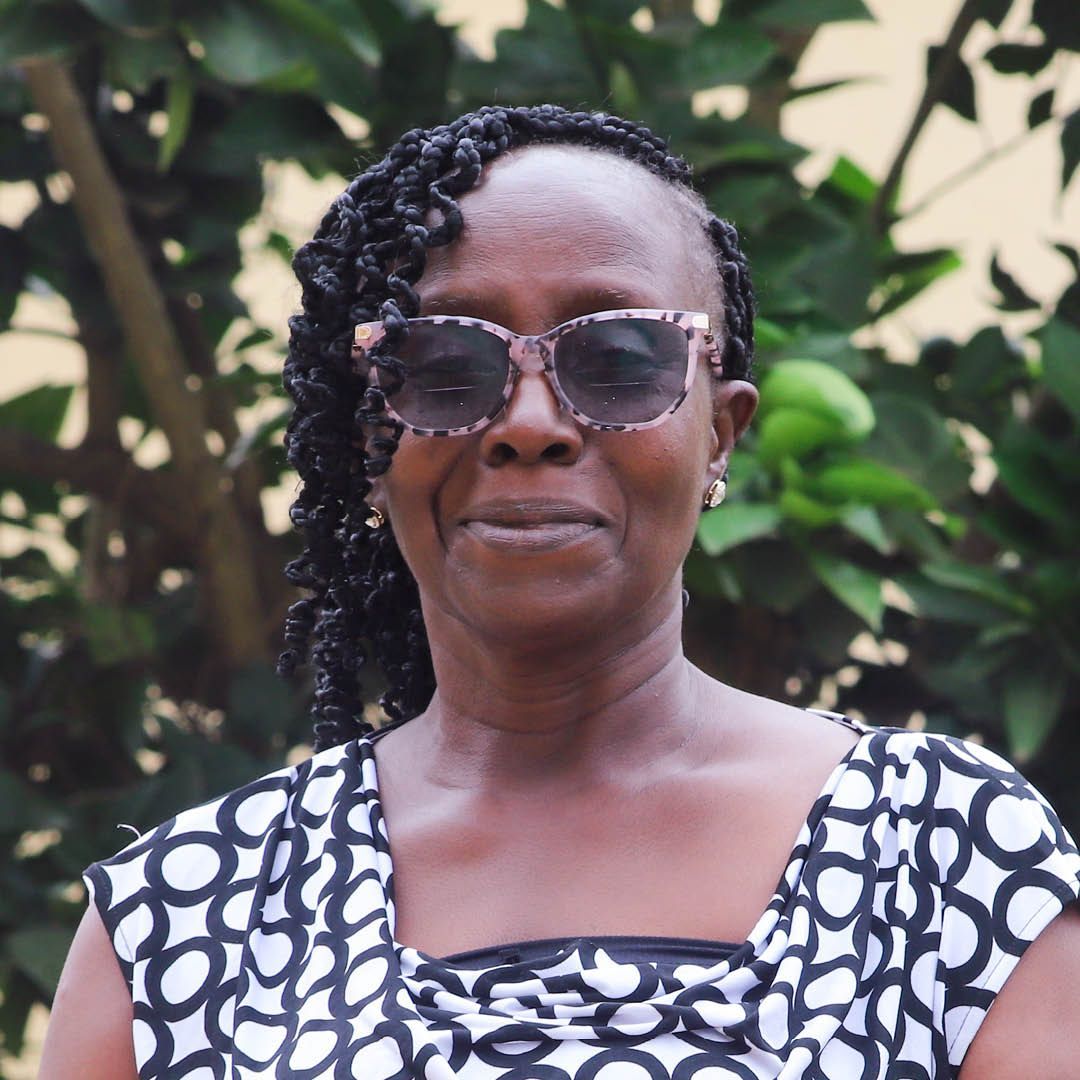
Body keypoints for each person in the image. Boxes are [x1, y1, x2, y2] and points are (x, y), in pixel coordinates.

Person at [41, 104, 1080, 1079]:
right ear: (371, 440)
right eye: (447, 364)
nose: (528, 421)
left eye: (618, 356)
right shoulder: (185, 920)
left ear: (718, 434)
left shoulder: (948, 858)